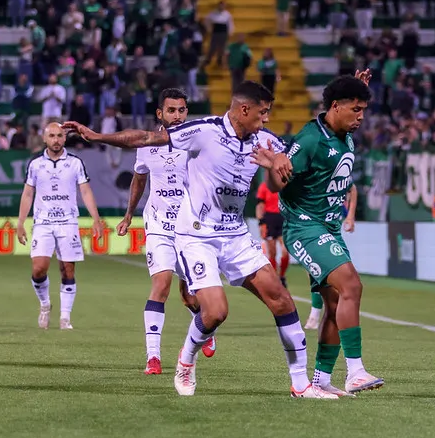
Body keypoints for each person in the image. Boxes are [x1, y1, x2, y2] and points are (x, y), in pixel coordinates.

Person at [63, 81, 337, 399]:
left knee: (281, 299)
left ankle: (300, 384)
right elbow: (149, 138)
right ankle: (186, 360)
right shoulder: (204, 130)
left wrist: (275, 166)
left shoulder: (265, 140)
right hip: (196, 235)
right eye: (262, 113)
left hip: (235, 234)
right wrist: (98, 137)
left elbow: (277, 186)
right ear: (243, 109)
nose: (265, 120)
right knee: (216, 312)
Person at [254, 72, 385, 396]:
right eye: (356, 109)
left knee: (336, 300)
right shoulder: (311, 139)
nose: (361, 117)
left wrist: (353, 86)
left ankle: (322, 379)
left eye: (363, 109)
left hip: (327, 228)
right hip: (304, 227)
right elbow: (277, 182)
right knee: (352, 284)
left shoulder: (341, 133)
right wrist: (274, 167)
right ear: (336, 107)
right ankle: (355, 371)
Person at [114, 88, 216, 376]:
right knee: (160, 285)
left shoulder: (197, 144)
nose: (177, 115)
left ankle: (205, 328)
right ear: (160, 113)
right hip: (158, 224)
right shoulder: (146, 145)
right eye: (171, 110)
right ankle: (153, 358)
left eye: (182, 110)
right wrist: (128, 215)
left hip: (190, 227)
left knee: (190, 296)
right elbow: (139, 179)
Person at [16, 122, 104, 330]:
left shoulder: (75, 163)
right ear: (44, 139)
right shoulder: (36, 164)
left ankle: (65, 317)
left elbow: (85, 191)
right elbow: (28, 193)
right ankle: (45, 304)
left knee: (68, 271)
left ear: (65, 138)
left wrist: (96, 219)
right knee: (39, 269)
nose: (56, 140)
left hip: (68, 222)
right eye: (52, 136)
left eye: (59, 136)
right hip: (43, 223)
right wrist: (20, 222)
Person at [305, 184, 357, 330]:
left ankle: (337, 315)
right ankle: (315, 315)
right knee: (314, 270)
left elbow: (352, 189)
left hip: (332, 227)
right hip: (311, 227)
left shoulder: (336, 168)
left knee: (346, 277)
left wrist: (350, 216)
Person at [256, 178, 289, 287]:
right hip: (269, 220)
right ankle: (275, 278)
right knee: (272, 252)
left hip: (283, 218)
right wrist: (261, 223)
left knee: (285, 251)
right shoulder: (264, 186)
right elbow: (260, 205)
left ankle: (282, 276)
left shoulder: (284, 184)